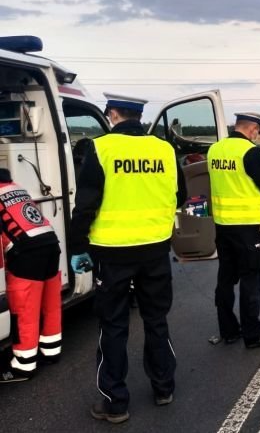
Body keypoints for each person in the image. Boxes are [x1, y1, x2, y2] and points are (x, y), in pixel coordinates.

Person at [70, 93, 186, 424]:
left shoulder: (101, 147)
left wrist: (78, 246)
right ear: (140, 116)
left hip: (113, 253)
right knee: (156, 319)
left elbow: (86, 204)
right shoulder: (164, 149)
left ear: (114, 115)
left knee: (114, 325)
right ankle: (164, 388)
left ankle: (115, 403)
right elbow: (181, 195)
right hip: (155, 249)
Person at [208, 113, 260, 350]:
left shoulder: (215, 150)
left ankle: (229, 330)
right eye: (256, 132)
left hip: (223, 225)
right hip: (248, 227)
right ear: (252, 129)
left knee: (226, 279)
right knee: (252, 280)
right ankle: (253, 334)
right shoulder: (250, 152)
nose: (256, 136)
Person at [0, 169, 61, 383]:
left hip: (27, 253)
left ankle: (24, 366)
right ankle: (51, 351)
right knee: (50, 304)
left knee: (25, 310)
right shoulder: (17, 188)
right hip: (51, 246)